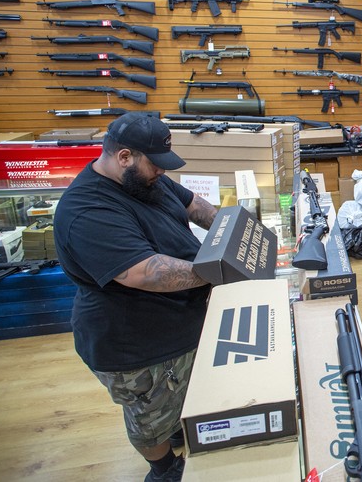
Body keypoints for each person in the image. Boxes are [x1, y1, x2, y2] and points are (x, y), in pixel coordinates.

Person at [54, 112, 218, 482]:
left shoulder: (142, 180)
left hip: (176, 321)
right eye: (155, 165)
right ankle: (163, 468)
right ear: (124, 156)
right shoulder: (87, 210)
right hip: (134, 343)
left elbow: (194, 205)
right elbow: (145, 272)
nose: (161, 172)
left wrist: (233, 228)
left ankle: (176, 427)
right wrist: (218, 269)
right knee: (149, 416)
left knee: (174, 401)